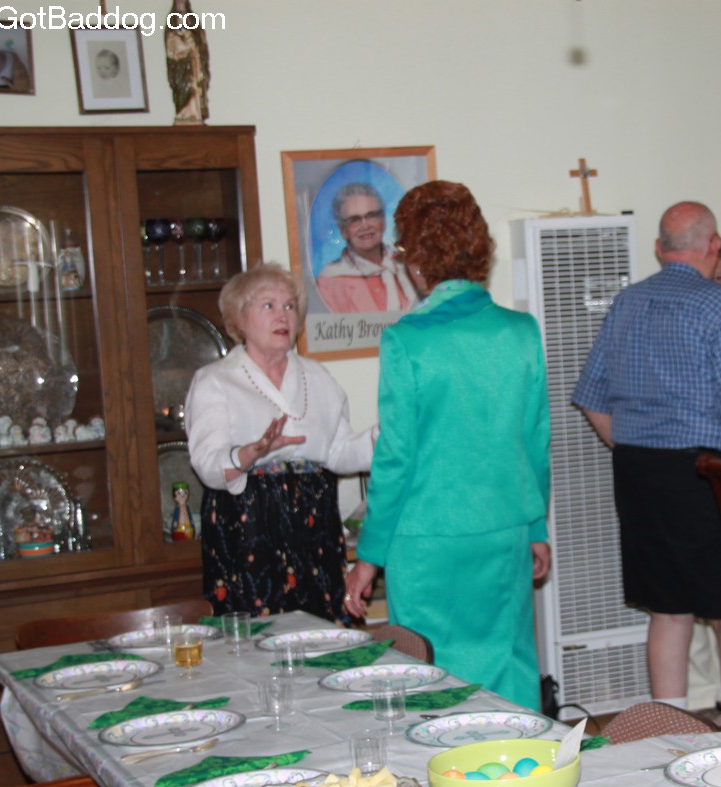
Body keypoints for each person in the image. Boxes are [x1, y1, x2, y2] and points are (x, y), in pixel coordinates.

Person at [344, 180, 551, 711]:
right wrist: (535, 527)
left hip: (426, 543)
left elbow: (395, 459)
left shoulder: (407, 340)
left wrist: (368, 556)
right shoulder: (521, 332)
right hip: (503, 530)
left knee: (432, 681)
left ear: (415, 263)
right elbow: (534, 442)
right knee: (507, 673)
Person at [572, 201, 721, 735]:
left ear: (661, 248)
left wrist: (630, 442)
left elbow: (589, 395)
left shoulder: (627, 303)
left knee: (667, 611)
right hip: (707, 476)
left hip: (638, 471)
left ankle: (667, 742)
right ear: (713, 246)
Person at [185, 264, 375, 621]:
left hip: (314, 527)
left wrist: (386, 438)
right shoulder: (215, 381)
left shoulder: (318, 377)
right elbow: (208, 466)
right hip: (248, 530)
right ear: (239, 319)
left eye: (289, 306)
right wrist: (248, 454)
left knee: (321, 632)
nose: (283, 315)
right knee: (255, 638)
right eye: (268, 305)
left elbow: (338, 452)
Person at [316, 182, 418, 314]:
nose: (365, 226)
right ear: (343, 230)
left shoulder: (409, 266)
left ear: (383, 221)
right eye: (354, 220)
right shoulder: (329, 282)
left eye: (371, 216)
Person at [165, 0, 210, 123]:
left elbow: (200, 42)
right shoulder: (172, 22)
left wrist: (192, 44)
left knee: (195, 87)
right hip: (180, 65)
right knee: (184, 89)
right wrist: (183, 45)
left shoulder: (193, 21)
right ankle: (184, 113)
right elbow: (171, 45)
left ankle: (195, 112)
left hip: (194, 62)